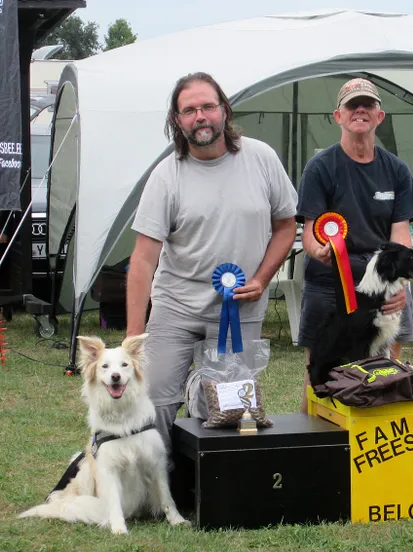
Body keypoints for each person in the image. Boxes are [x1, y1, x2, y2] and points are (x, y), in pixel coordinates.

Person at [126, 72, 298, 455]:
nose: (200, 116)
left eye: (207, 106)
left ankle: (212, 479)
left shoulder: (262, 158)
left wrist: (261, 278)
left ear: (224, 110)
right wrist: (133, 339)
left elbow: (286, 227)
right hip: (175, 307)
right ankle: (163, 480)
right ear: (177, 120)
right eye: (189, 110)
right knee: (154, 402)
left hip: (241, 307)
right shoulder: (165, 176)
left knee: (230, 406)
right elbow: (142, 260)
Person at [296, 77, 413, 413]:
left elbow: (400, 235)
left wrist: (402, 284)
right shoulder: (320, 167)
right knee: (320, 375)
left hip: (384, 286)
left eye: (368, 105)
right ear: (338, 115)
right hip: (330, 285)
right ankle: (313, 446)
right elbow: (310, 233)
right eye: (353, 105)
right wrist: (319, 251)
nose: (361, 110)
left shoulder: (397, 170)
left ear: (380, 117)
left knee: (386, 373)